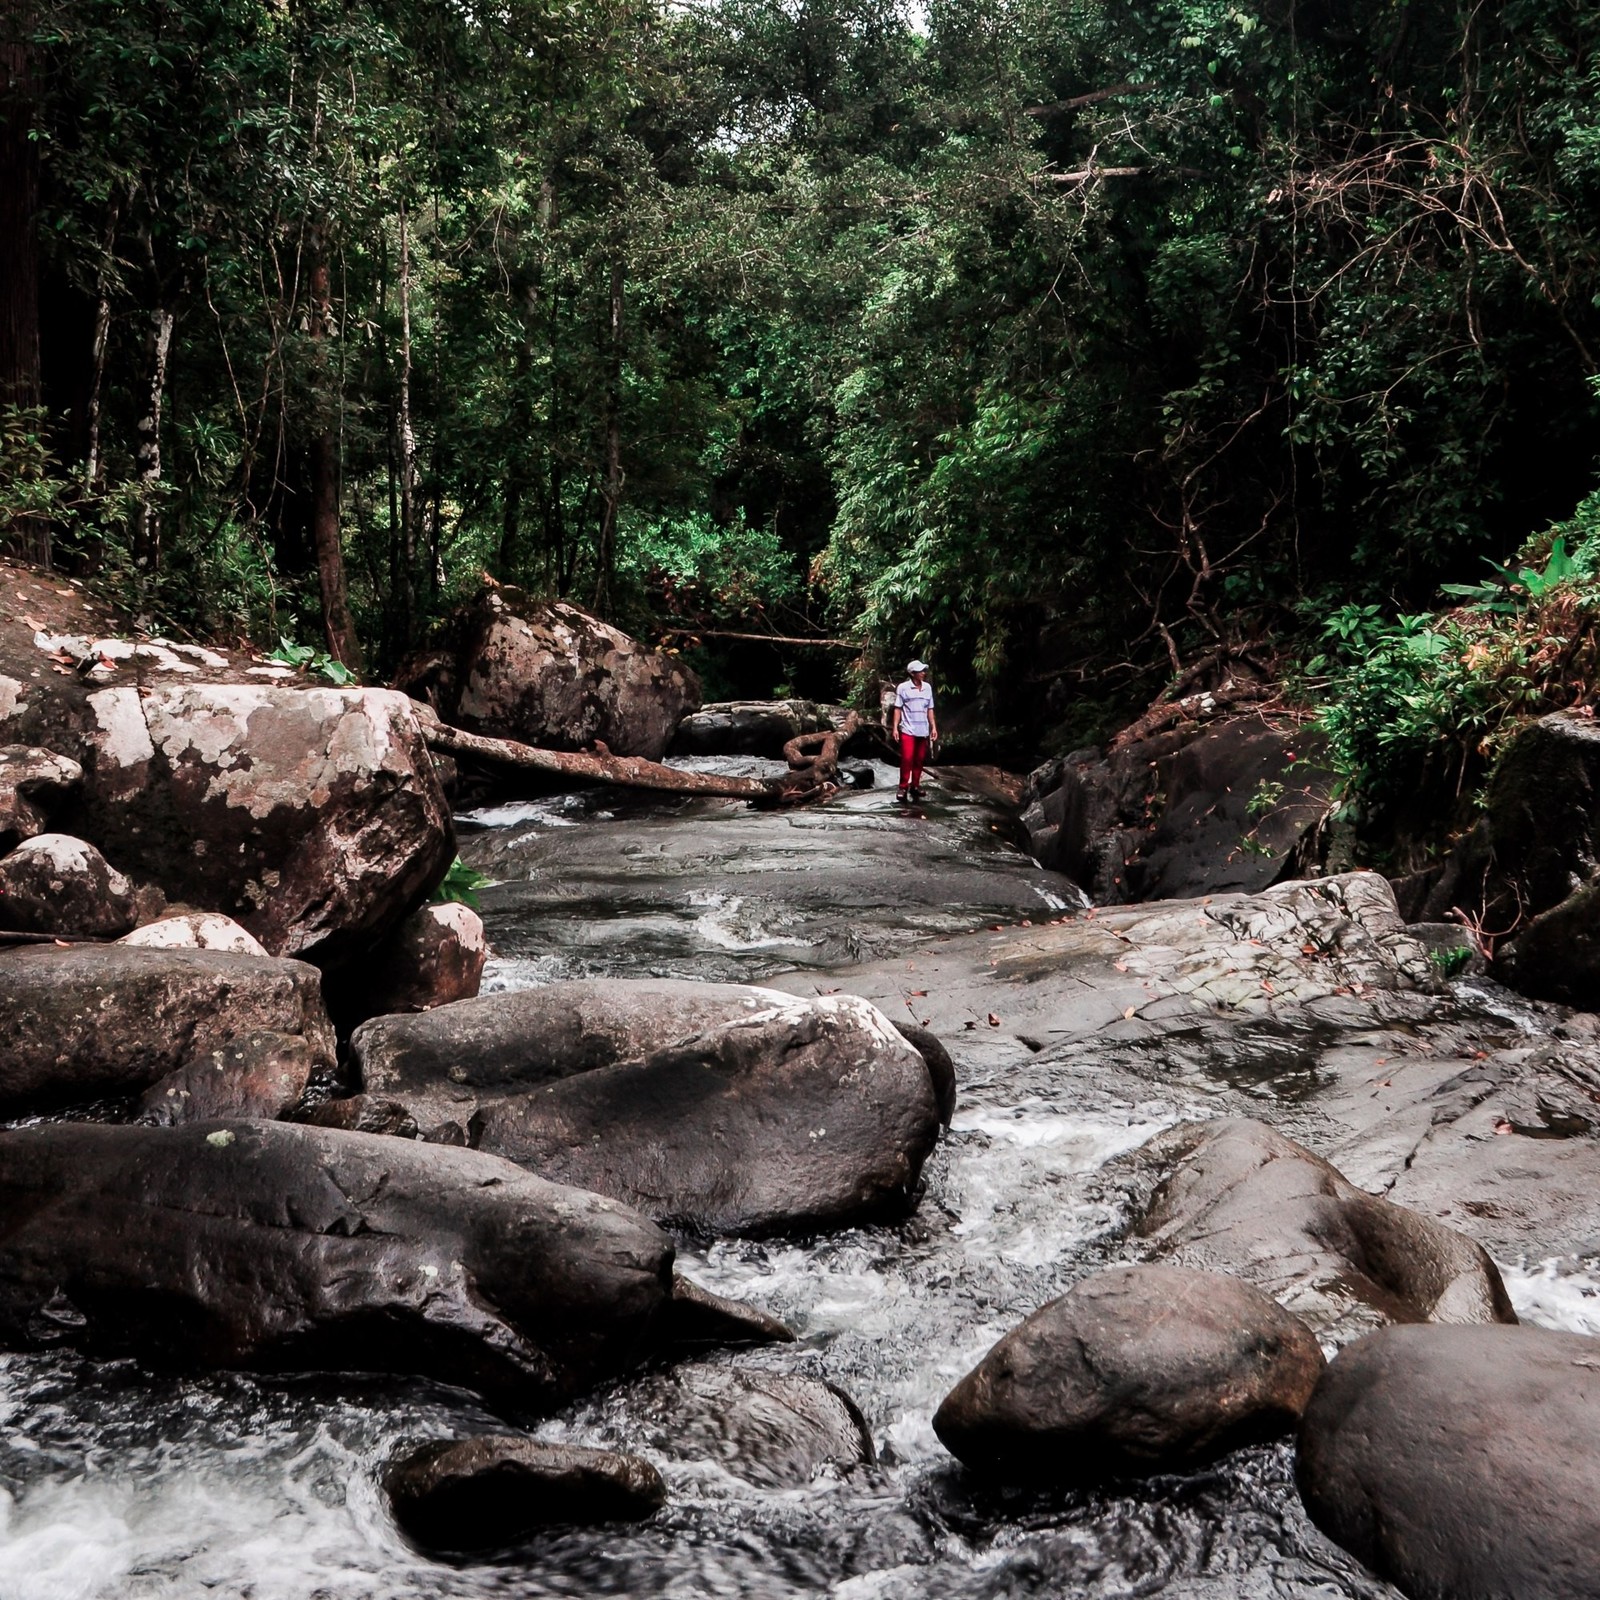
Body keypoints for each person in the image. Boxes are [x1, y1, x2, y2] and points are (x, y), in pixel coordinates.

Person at [891, 659, 937, 803]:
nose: (923, 673)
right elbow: (898, 708)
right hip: (908, 729)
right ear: (912, 673)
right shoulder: (903, 688)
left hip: (922, 729)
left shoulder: (927, 688)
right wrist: (895, 728)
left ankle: (915, 785)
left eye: (924, 671)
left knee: (919, 759)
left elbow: (930, 709)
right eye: (920, 671)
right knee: (907, 758)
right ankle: (903, 787)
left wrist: (933, 727)